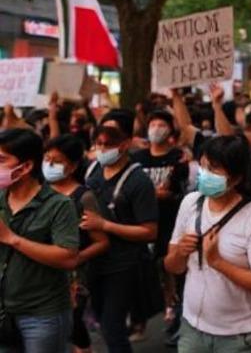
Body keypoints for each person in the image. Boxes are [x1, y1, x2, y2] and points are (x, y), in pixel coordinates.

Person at [164, 135, 251, 353]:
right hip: (191, 328)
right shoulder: (190, 203)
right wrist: (180, 253)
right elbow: (172, 266)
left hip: (238, 337)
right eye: (203, 166)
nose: (205, 174)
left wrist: (218, 263)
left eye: (214, 169)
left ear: (236, 178)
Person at [82, 110, 159, 353]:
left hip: (124, 264)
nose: (102, 149)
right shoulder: (92, 171)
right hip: (95, 261)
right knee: (100, 319)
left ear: (125, 143)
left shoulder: (138, 181)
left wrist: (106, 226)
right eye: (98, 143)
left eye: (108, 143)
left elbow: (149, 232)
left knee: (112, 326)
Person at [0, 129, 79, 352]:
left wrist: (12, 239)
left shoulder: (58, 205)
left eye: (2, 160)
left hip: (42, 314)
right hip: (4, 311)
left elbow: (68, 257)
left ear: (25, 167)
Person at [43, 134, 110, 353]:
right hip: (43, 268)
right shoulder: (39, 192)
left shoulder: (83, 197)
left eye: (57, 161)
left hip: (74, 275)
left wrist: (76, 259)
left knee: (73, 323)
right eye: (47, 159)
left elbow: (102, 242)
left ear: (72, 166)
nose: (49, 165)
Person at [130, 109, 189, 343]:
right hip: (142, 221)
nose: (156, 129)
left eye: (161, 125)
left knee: (170, 266)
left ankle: (173, 308)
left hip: (169, 222)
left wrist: (159, 194)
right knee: (143, 270)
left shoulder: (178, 157)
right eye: (152, 124)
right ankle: (140, 319)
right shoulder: (138, 158)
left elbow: (176, 189)